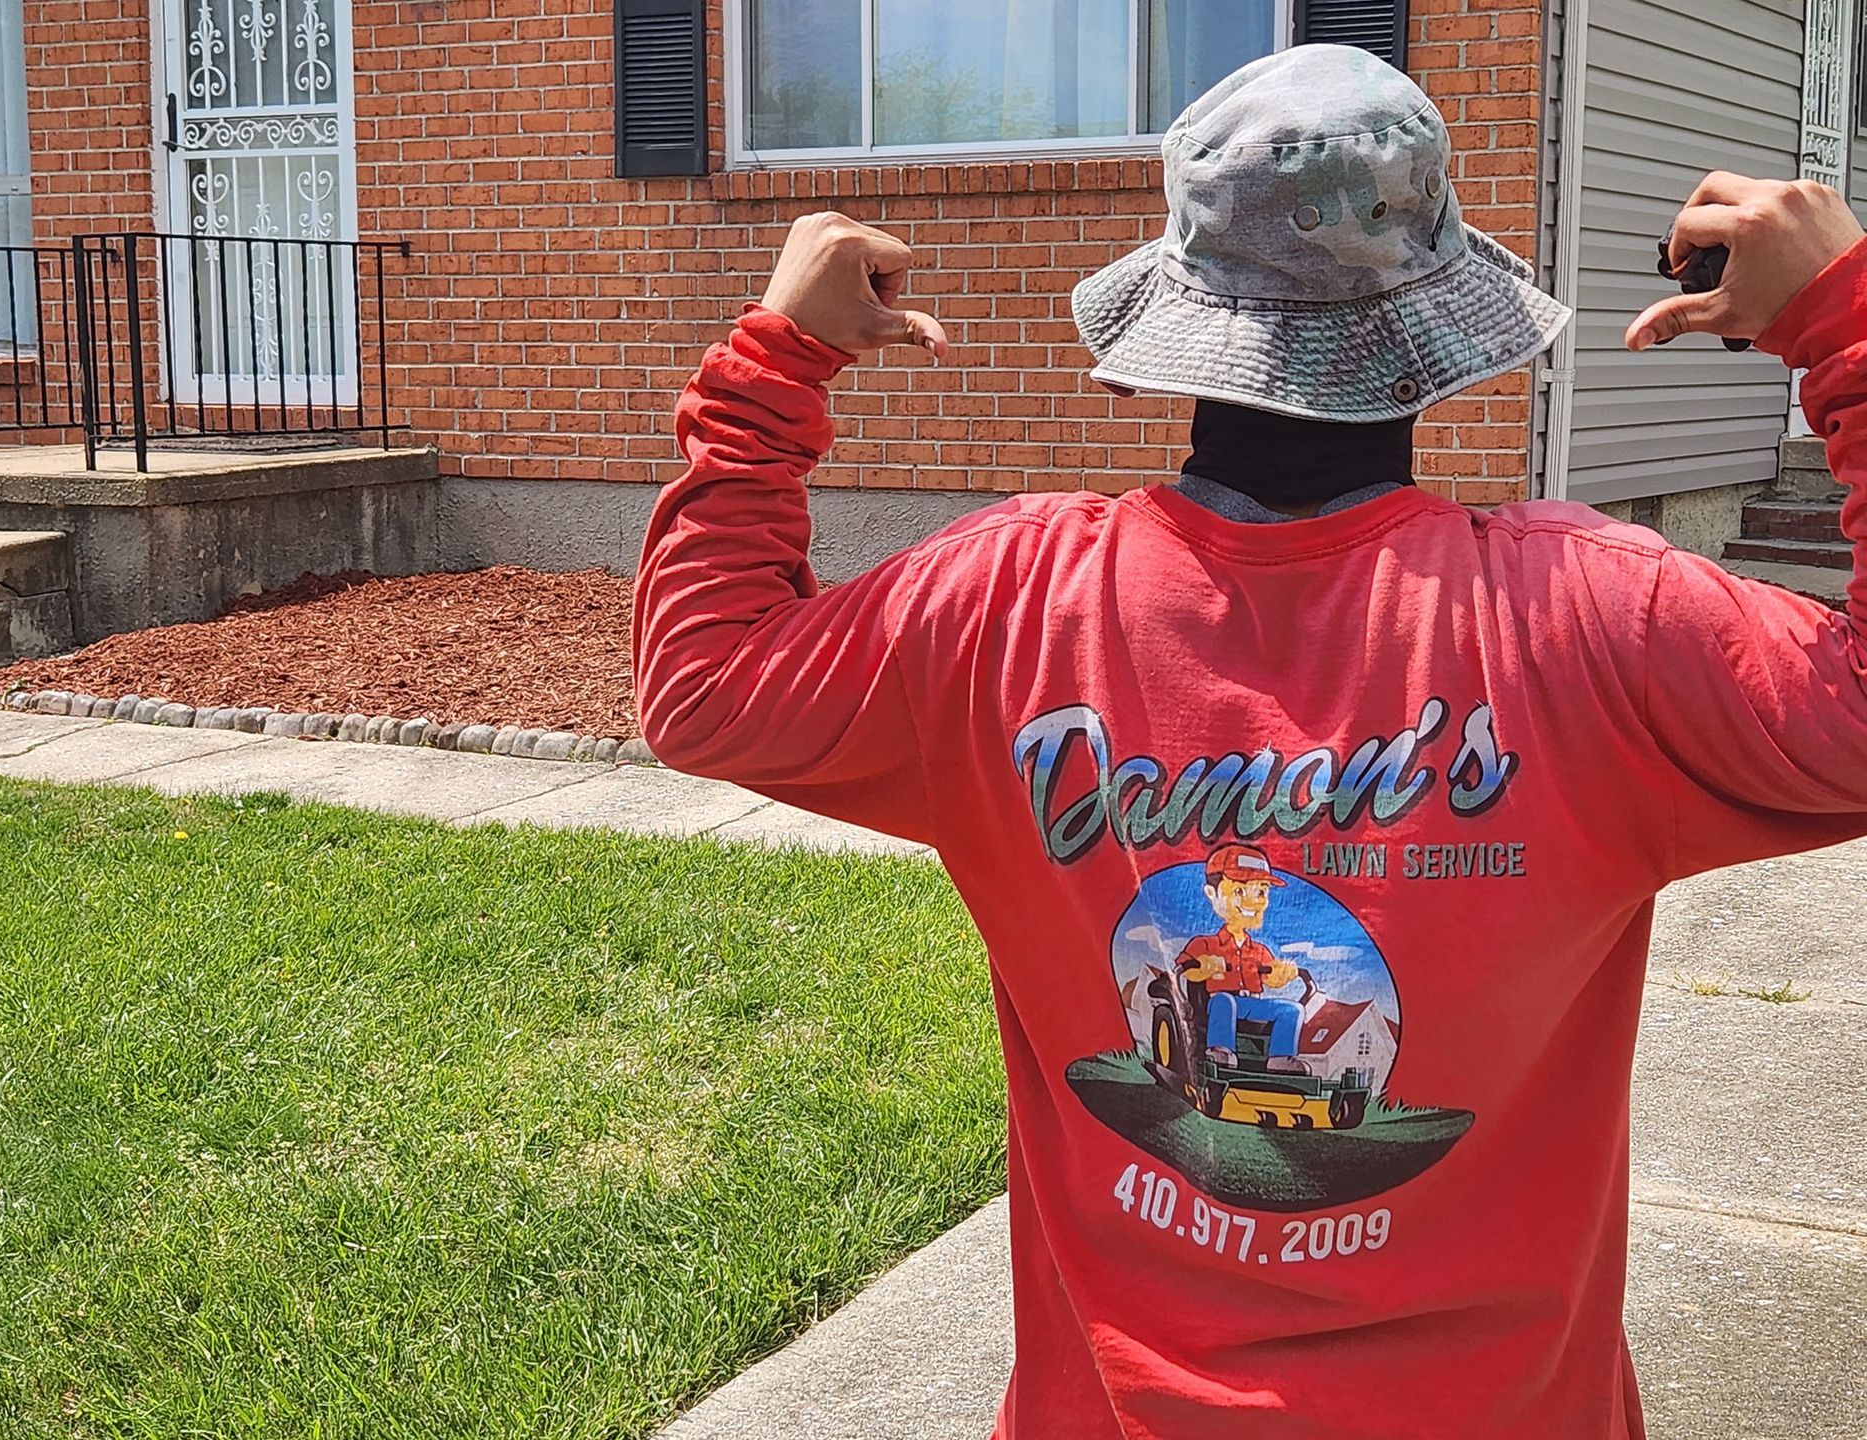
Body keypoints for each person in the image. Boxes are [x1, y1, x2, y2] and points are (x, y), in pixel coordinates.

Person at [633, 43, 1867, 1440]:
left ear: (1181, 308)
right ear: (1440, 318)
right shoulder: (1593, 619)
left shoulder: (1010, 606)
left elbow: (702, 681)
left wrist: (773, 370)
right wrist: (1842, 325)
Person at [1173, 842, 1305, 1072]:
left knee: (1292, 1010)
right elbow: (1184, 967)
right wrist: (1203, 966)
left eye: (1261, 892)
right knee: (1225, 1001)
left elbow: (1270, 976)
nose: (1252, 901)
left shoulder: (1259, 950)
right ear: (1211, 893)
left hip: (1252, 1004)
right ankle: (1221, 1051)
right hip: (1218, 1003)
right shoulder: (1205, 944)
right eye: (1239, 891)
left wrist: (1283, 974)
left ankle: (1280, 1059)